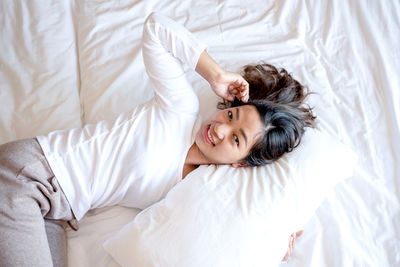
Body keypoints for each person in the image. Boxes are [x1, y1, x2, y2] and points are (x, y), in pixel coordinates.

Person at [0, 13, 314, 267]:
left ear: (241, 161)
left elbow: (229, 223)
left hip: (55, 211)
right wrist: (215, 75)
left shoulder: (198, 185)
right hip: (31, 176)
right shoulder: (179, 110)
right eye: (231, 117)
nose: (219, 129)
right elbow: (156, 28)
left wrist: (275, 243)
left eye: (235, 139)